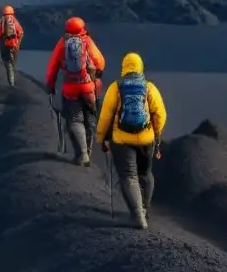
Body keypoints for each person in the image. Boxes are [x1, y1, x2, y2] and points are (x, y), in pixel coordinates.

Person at [96, 52, 166, 230]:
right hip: (146, 139)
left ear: (124, 67)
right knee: (145, 174)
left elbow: (105, 116)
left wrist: (101, 137)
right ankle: (145, 210)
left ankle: (137, 216)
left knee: (129, 176)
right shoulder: (149, 87)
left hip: (122, 140)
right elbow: (160, 114)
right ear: (140, 67)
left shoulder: (116, 87)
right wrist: (156, 134)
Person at [45, 16, 105, 167]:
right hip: (88, 87)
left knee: (75, 120)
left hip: (70, 88)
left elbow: (53, 66)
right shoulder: (87, 41)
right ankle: (88, 151)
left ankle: (82, 154)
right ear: (82, 28)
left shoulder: (63, 43)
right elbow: (100, 62)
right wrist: (96, 77)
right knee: (89, 120)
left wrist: (50, 84)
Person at [0, 5, 24, 87]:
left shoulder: (2, 21)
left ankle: (11, 84)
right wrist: (17, 43)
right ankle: (15, 82)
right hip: (14, 46)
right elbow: (21, 32)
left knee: (8, 64)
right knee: (13, 63)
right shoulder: (14, 20)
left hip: (5, 46)